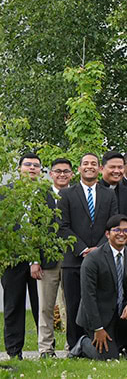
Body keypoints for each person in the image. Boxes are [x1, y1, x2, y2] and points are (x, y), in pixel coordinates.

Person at [59, 152, 117, 351]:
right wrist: (83, 249)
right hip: (73, 259)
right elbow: (63, 226)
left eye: (94, 163)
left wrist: (98, 249)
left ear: (100, 169)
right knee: (74, 304)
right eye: (85, 163)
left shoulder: (109, 195)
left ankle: (94, 345)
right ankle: (75, 346)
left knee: (97, 303)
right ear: (79, 169)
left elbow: (113, 225)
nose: (89, 166)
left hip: (102, 258)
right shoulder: (66, 194)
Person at [70, 215, 127, 360]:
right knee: (108, 359)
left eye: (125, 231)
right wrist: (98, 328)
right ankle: (83, 343)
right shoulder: (93, 259)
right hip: (98, 316)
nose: (121, 234)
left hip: (121, 312)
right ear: (107, 234)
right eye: (116, 230)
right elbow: (88, 296)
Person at [2, 153, 43, 359]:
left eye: (36, 165)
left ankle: (45, 349)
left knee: (41, 307)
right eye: (28, 165)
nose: (32, 168)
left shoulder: (46, 195)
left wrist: (36, 259)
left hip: (41, 261)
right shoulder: (5, 194)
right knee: (13, 306)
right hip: (13, 259)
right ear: (19, 169)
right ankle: (13, 351)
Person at [37, 157, 74, 357]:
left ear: (72, 174)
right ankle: (45, 348)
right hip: (47, 261)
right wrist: (34, 260)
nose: (62, 174)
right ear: (51, 174)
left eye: (66, 171)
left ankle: (71, 347)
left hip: (71, 258)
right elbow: (35, 229)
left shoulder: (76, 194)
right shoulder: (42, 196)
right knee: (46, 306)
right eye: (58, 171)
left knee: (70, 305)